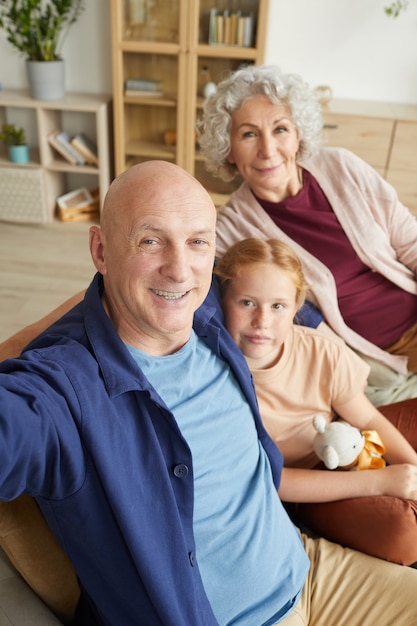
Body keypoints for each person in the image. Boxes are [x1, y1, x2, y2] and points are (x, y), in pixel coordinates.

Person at [1, 161, 417, 626]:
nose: (180, 270)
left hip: (308, 565)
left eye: (197, 241)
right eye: (150, 240)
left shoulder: (212, 308)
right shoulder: (63, 389)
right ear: (100, 250)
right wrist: (15, 348)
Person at [197, 63, 417, 406]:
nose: (268, 150)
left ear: (299, 134)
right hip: (376, 361)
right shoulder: (230, 230)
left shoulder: (342, 166)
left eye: (280, 129)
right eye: (249, 134)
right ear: (228, 148)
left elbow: (410, 240)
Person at [214, 237, 417, 565]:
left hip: (353, 441)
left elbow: (368, 421)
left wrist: (411, 472)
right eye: (247, 303)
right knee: (402, 533)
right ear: (224, 299)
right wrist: (380, 481)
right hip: (308, 485)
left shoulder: (319, 349)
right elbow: (275, 481)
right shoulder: (215, 379)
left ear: (296, 306)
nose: (262, 321)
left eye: (277, 306)